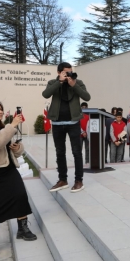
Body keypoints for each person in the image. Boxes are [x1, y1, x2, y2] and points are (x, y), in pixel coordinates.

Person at [0, 101, 37, 257]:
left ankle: (23, 229)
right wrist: (13, 125)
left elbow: (11, 149)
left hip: (9, 170)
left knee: (20, 196)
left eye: (1, 109)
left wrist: (17, 148)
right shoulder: (3, 128)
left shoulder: (4, 127)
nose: (0, 111)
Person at [42, 62, 91, 193]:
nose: (69, 74)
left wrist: (73, 85)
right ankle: (62, 180)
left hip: (73, 122)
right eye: (66, 72)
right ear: (59, 72)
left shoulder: (77, 82)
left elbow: (87, 97)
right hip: (57, 123)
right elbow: (46, 94)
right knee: (60, 152)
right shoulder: (53, 82)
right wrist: (59, 81)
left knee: (77, 152)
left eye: (70, 71)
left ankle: (79, 180)